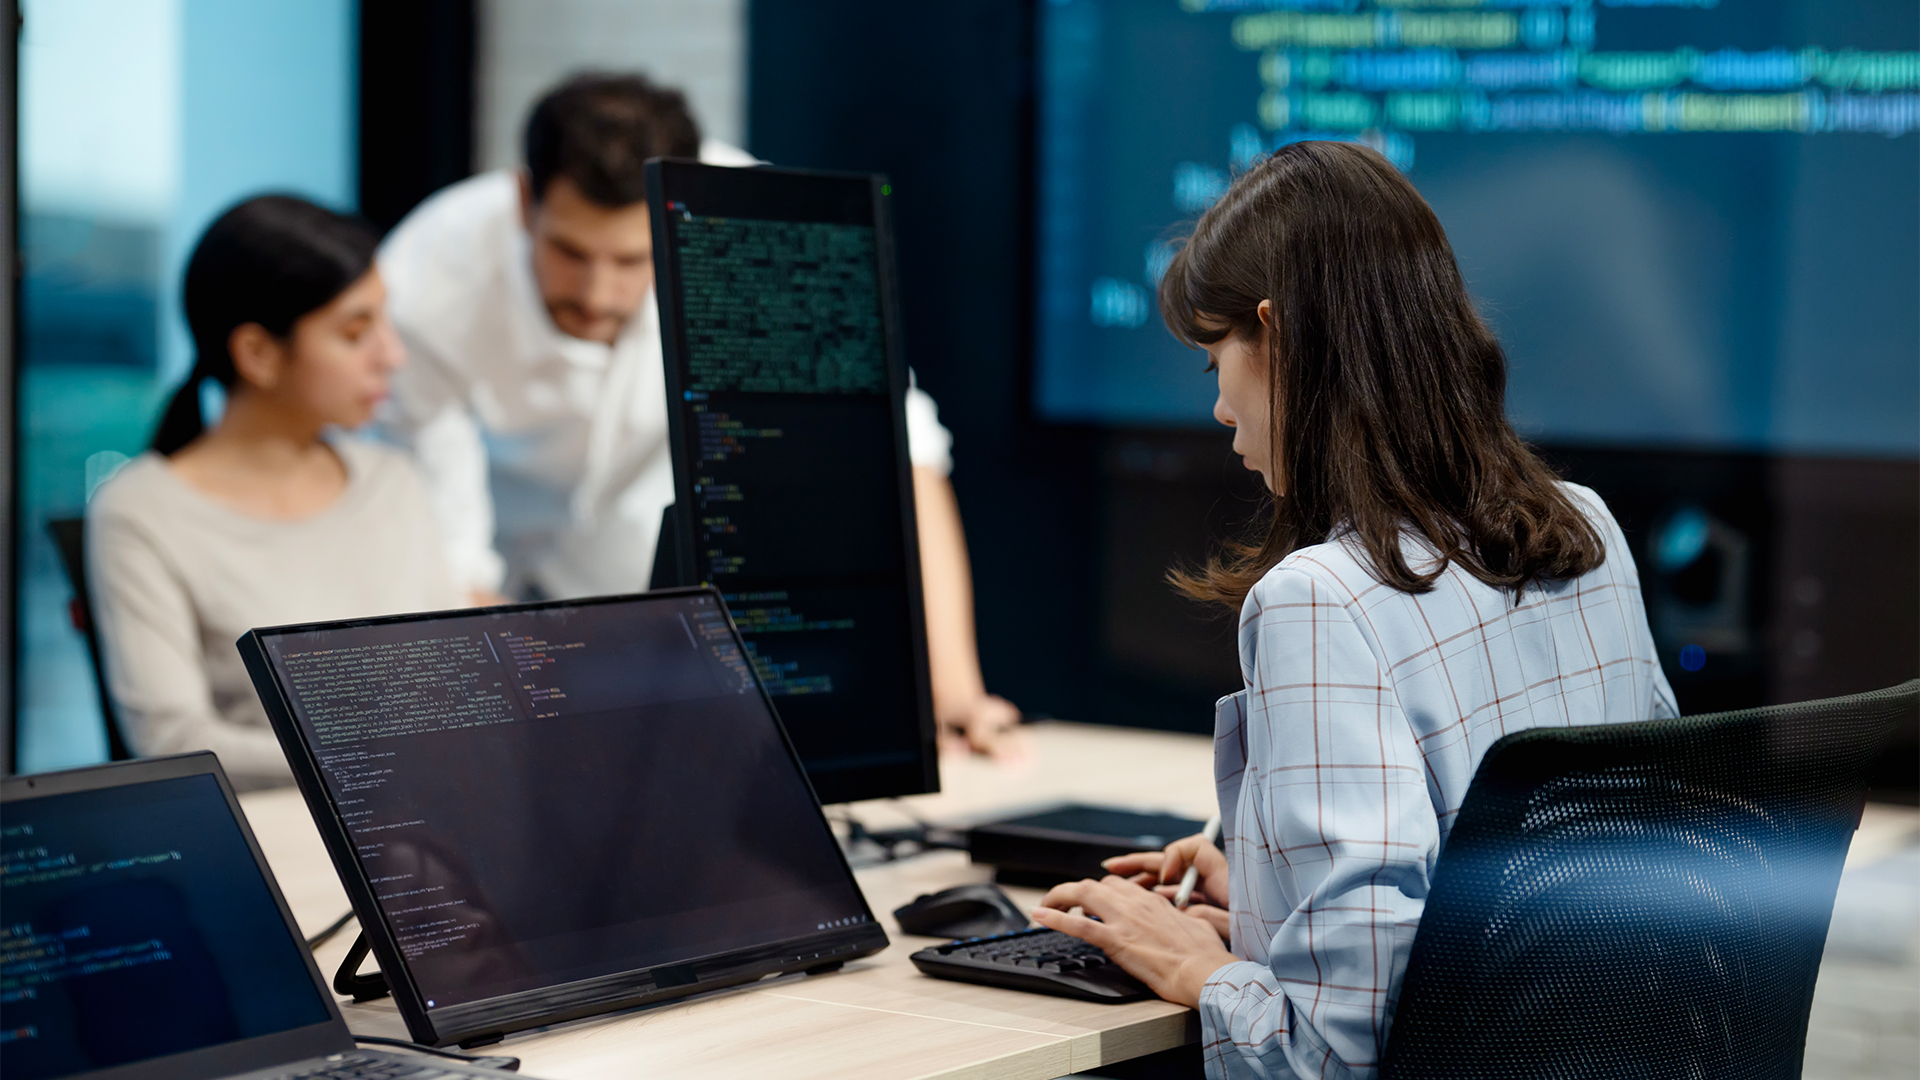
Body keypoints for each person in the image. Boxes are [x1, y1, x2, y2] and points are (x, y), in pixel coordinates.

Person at [1030, 142, 1678, 1079]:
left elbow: (1331, 1057)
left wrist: (1198, 966)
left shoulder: (1319, 600)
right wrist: (1269, 893)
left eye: (1215, 361)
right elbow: (1550, 898)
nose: (1219, 409)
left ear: (1278, 336)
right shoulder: (1588, 529)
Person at [377, 72, 1022, 757]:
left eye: (631, 259)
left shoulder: (752, 230)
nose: (598, 293)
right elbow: (440, 526)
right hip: (497, 558)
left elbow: (893, 452)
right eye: (570, 253)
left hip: (660, 582)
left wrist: (954, 692)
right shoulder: (428, 277)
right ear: (523, 201)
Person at [87, 196, 465, 790]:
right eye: (355, 332)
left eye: (386, 322)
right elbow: (171, 740)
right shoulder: (142, 512)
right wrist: (374, 758)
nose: (393, 355)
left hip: (424, 805)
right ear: (258, 354)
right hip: (277, 823)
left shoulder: (392, 481)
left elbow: (453, 679)